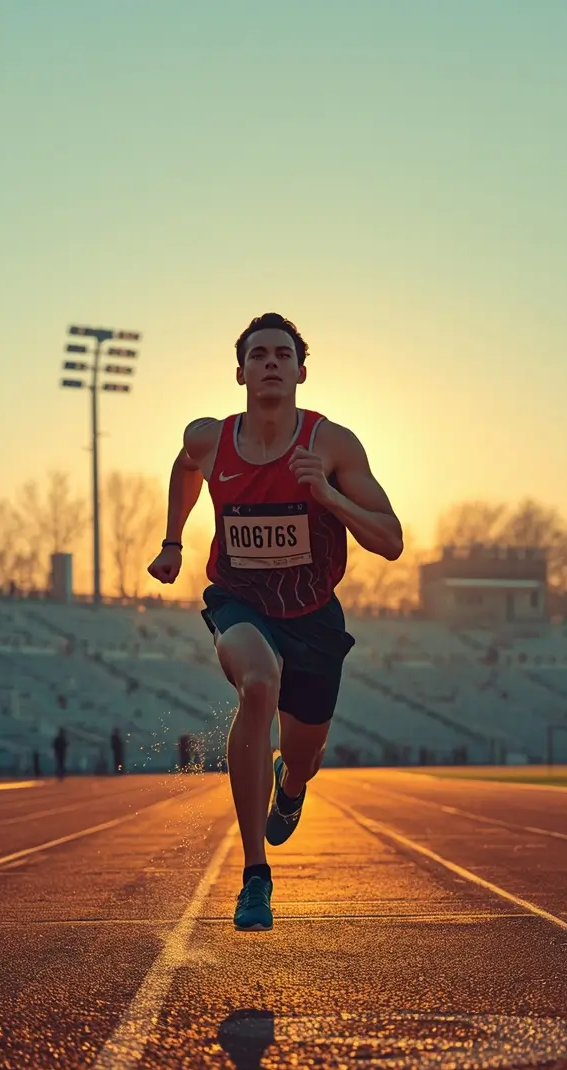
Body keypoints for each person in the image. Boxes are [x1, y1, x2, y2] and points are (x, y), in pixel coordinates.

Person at [148, 313, 403, 931]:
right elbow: (186, 468)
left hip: (313, 616)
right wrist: (173, 541)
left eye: (281, 354)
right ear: (240, 372)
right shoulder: (210, 439)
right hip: (240, 600)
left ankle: (291, 787)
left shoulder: (332, 445)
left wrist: (331, 499)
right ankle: (255, 876)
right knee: (259, 683)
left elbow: (391, 541)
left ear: (300, 371)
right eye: (257, 354)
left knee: (304, 752)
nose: (269, 362)